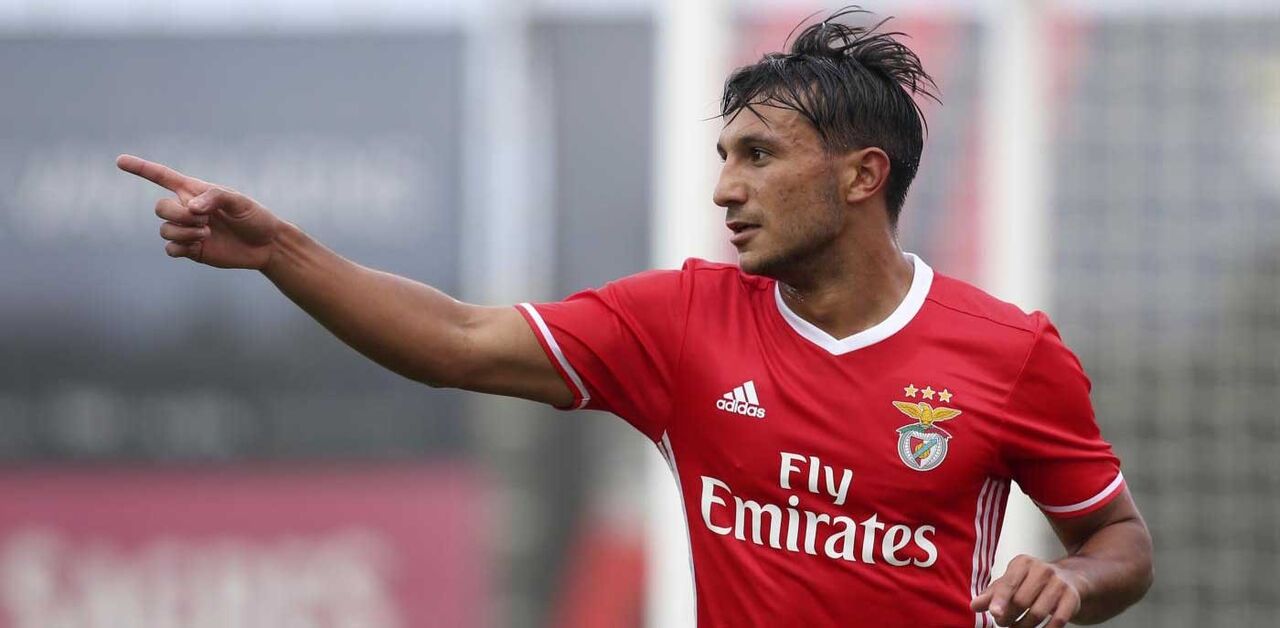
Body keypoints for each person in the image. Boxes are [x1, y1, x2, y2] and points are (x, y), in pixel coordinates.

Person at [117, 6, 1152, 627]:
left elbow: (1118, 540)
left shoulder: (1009, 352)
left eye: (759, 157)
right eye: (723, 158)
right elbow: (456, 342)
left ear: (860, 176)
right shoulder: (680, 322)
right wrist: (280, 253)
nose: (724, 189)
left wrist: (1070, 578)